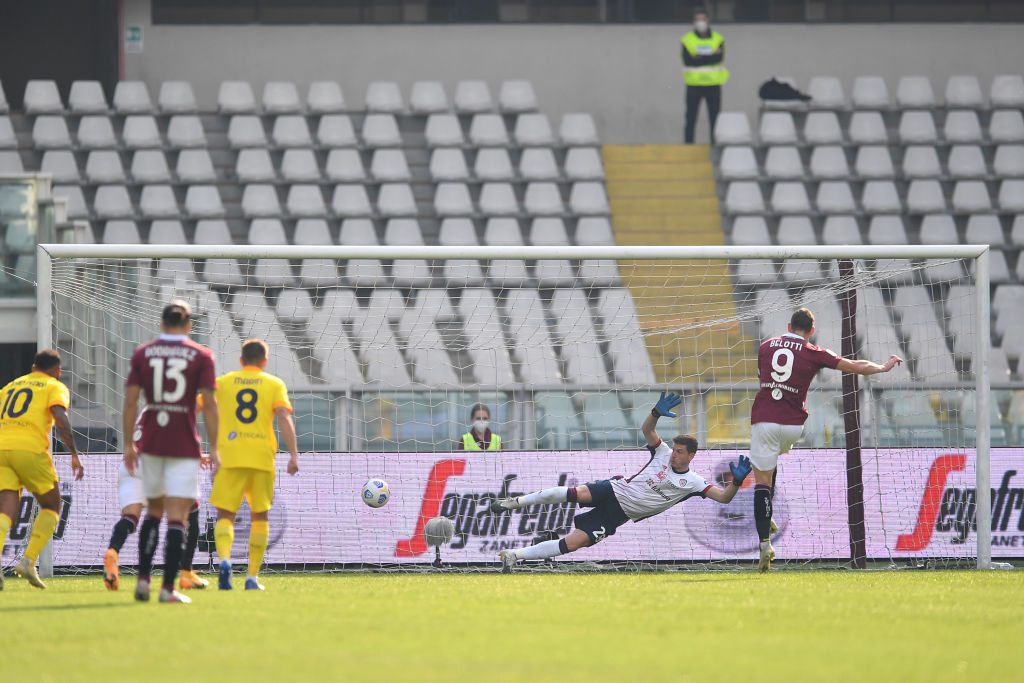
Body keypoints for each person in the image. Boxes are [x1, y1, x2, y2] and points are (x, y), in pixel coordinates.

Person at [491, 391, 751, 569]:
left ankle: (515, 555)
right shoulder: (662, 452)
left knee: (575, 542)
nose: (674, 455)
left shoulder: (694, 482)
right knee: (575, 493)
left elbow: (723, 497)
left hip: (619, 515)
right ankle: (515, 502)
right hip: (614, 490)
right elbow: (647, 429)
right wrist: (655, 413)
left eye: (680, 452)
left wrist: (736, 483)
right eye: (675, 449)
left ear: (692, 456)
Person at [750, 307, 902, 572]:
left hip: (764, 418)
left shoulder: (765, 346)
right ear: (811, 331)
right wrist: (883, 367)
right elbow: (855, 366)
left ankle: (765, 543)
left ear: (788, 326)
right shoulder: (814, 352)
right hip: (793, 426)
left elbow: (762, 376)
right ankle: (769, 514)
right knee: (773, 459)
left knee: (761, 480)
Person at [123, 300, 218, 604]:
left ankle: (142, 582)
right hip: (183, 445)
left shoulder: (143, 353)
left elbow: (130, 401)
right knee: (178, 516)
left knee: (153, 512)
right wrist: (214, 447)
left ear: (162, 324)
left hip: (150, 443)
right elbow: (211, 404)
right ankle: (167, 590)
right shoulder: (202, 356)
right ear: (189, 326)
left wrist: (128, 443)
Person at [210, 338, 299, 591]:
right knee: (260, 516)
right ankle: (251, 578)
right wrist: (293, 454)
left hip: (230, 456)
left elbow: (204, 410)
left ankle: (225, 561)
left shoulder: (223, 383)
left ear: (241, 361)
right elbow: (283, 416)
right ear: (264, 361)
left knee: (225, 514)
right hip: (261, 457)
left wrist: (210, 447)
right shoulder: (274, 384)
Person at [0, 349, 84, 589]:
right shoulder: (53, 386)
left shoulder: (11, 386)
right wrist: (74, 454)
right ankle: (28, 560)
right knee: (52, 504)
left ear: (33, 367)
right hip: (29, 449)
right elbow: (59, 416)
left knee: (6, 507)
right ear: (58, 371)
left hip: (2, 448)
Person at [102, 408, 208, 591]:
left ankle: (112, 551)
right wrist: (197, 455)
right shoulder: (177, 405)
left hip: (132, 463)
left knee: (130, 518)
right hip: (156, 463)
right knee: (190, 509)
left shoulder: (147, 408)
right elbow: (183, 434)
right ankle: (185, 573)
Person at [681, 7, 729, 143]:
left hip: (713, 85)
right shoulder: (687, 40)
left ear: (708, 20)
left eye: (702, 19)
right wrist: (710, 55)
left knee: (715, 119)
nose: (700, 22)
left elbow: (718, 59)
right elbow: (688, 61)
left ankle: (714, 148)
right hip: (694, 85)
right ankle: (688, 147)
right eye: (697, 20)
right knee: (690, 118)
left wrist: (698, 57)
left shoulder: (718, 39)